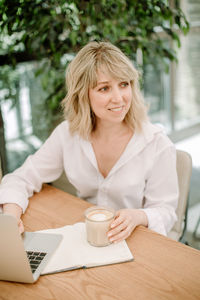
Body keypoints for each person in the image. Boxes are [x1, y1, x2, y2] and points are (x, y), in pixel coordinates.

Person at [0, 41, 179, 243]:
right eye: (104, 89)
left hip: (135, 240)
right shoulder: (67, 134)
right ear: (83, 94)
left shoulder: (156, 144)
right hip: (85, 237)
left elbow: (166, 212)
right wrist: (11, 219)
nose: (119, 98)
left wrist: (138, 216)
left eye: (124, 84)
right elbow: (20, 179)